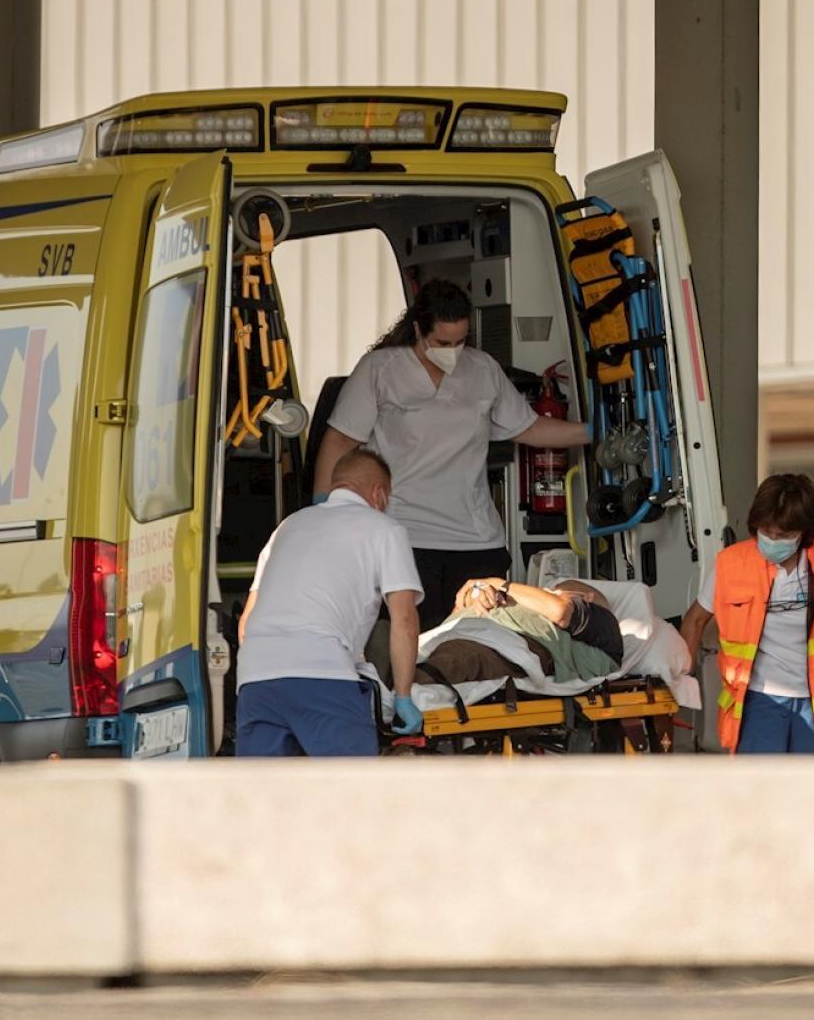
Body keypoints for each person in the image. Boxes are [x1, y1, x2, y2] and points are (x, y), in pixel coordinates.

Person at [313, 279, 590, 629]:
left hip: (475, 539)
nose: (453, 352)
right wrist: (322, 513)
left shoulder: (483, 369)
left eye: (461, 342)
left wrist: (589, 433)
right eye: (443, 343)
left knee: (480, 642)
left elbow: (528, 428)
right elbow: (339, 441)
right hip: (404, 535)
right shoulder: (381, 370)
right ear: (418, 329)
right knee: (413, 642)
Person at [236, 449, 424, 756]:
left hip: (256, 681)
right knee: (352, 794)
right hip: (321, 676)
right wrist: (403, 695)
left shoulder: (287, 527)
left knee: (264, 798)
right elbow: (404, 619)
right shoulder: (385, 530)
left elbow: (247, 620)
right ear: (378, 494)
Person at [680, 473, 814, 755]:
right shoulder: (731, 564)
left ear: (804, 533)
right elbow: (695, 619)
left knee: (813, 796)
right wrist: (681, 677)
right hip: (759, 702)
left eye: (782, 536)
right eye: (764, 532)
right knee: (761, 795)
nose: (771, 540)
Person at [420, 577, 625, 686]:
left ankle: (401, 692)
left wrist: (498, 583)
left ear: (585, 596)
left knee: (456, 661)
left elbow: (559, 611)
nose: (547, 592)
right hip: (459, 631)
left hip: (507, 644)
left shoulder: (600, 618)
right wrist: (472, 596)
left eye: (555, 591)